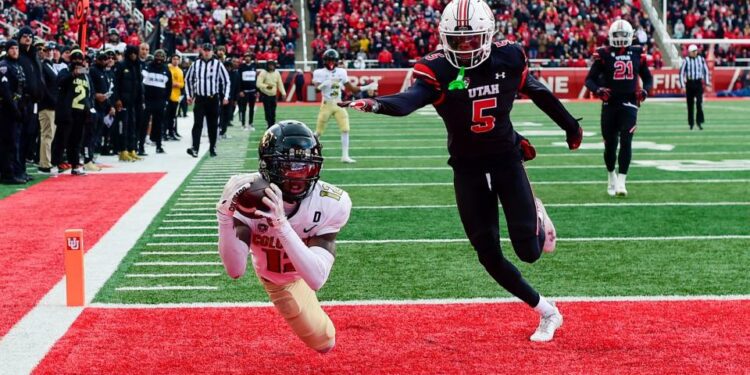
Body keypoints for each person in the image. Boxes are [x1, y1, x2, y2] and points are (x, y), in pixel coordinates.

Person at [339, 0, 582, 342]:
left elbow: (538, 92)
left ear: (488, 34)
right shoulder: (437, 70)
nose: (465, 47)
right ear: (443, 38)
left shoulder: (508, 57)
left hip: (506, 160)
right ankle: (548, 311)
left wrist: (570, 126)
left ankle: (538, 214)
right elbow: (409, 100)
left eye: (471, 40)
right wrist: (377, 104)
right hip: (467, 167)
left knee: (529, 252)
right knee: (488, 255)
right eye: (457, 40)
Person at [216, 120, 351, 353]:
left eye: (305, 165)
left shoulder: (331, 202)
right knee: (324, 341)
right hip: (277, 278)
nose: (299, 176)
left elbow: (316, 279)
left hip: (303, 270)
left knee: (325, 343)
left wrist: (281, 224)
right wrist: (224, 217)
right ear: (267, 166)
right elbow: (235, 270)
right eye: (289, 166)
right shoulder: (248, 198)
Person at [585, 19, 653, 197]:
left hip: (630, 103)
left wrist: (645, 90)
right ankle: (611, 175)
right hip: (610, 104)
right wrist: (598, 90)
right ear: (611, 36)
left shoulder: (638, 53)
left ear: (630, 36)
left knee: (626, 141)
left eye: (624, 35)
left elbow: (648, 78)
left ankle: (622, 181)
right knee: (610, 145)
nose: (621, 38)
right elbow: (589, 79)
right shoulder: (604, 54)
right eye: (618, 35)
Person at [312, 49, 377, 163]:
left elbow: (352, 89)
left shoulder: (341, 72)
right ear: (325, 61)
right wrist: (326, 83)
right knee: (318, 132)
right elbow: (316, 90)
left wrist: (367, 87)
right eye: (329, 60)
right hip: (326, 104)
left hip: (338, 103)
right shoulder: (319, 72)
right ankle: (310, 153)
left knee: (345, 129)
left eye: (333, 60)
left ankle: (345, 156)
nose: (331, 62)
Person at [184, 43, 231, 158]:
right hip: (200, 99)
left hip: (213, 98)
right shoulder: (196, 64)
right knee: (197, 124)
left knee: (213, 125)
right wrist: (189, 95)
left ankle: (212, 147)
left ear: (212, 52)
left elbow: (226, 81)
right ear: (201, 51)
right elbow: (188, 79)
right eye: (204, 50)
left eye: (208, 50)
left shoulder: (218, 64)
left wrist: (225, 96)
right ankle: (195, 148)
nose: (206, 52)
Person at [52, 49, 93, 176]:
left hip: (80, 112)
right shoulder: (65, 71)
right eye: (74, 58)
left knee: (76, 140)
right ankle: (55, 163)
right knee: (61, 139)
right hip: (67, 111)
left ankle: (75, 165)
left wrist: (89, 109)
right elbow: (58, 83)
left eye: (79, 58)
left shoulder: (86, 75)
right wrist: (72, 75)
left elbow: (89, 93)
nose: (77, 61)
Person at [0, 40, 28, 184]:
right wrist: (14, 108)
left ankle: (16, 171)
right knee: (8, 142)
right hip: (6, 109)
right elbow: (5, 91)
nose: (15, 51)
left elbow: (22, 88)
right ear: (7, 50)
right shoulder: (4, 66)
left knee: (16, 142)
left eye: (16, 48)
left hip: (18, 106)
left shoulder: (17, 65)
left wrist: (22, 107)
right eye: (11, 48)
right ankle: (7, 174)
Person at [112, 45, 144, 162]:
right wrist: (117, 99)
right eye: (131, 53)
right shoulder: (121, 65)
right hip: (123, 102)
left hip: (134, 102)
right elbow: (115, 84)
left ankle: (132, 149)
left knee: (132, 126)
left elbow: (139, 85)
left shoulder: (137, 66)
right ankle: (122, 150)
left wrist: (141, 99)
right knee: (123, 126)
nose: (133, 55)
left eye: (135, 53)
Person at [142, 49, 172, 154]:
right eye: (157, 56)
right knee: (144, 123)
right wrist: (143, 99)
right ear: (154, 57)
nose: (159, 58)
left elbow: (169, 87)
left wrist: (166, 100)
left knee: (159, 124)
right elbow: (142, 83)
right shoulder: (147, 67)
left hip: (160, 101)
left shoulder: (166, 70)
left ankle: (159, 146)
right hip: (148, 100)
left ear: (165, 58)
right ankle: (141, 146)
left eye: (161, 56)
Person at [38, 41, 59, 173]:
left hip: (52, 105)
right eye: (47, 50)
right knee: (47, 134)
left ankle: (47, 161)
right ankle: (44, 164)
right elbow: (44, 88)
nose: (50, 52)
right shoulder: (43, 66)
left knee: (50, 134)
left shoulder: (51, 66)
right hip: (47, 105)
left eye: (52, 50)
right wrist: (53, 101)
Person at [679, 44, 710, 130]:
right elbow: (681, 73)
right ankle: (691, 123)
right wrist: (682, 85)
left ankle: (699, 121)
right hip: (689, 83)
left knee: (699, 103)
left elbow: (706, 71)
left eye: (696, 51)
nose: (695, 52)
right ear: (690, 52)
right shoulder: (686, 60)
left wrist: (707, 83)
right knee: (690, 104)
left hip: (698, 83)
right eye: (693, 51)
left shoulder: (701, 59)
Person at [256, 60, 285, 128]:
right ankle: (269, 124)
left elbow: (280, 84)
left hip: (273, 95)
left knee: (273, 111)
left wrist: (283, 93)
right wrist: (266, 86)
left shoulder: (277, 73)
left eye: (272, 65)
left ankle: (273, 124)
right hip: (265, 95)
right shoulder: (263, 73)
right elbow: (258, 84)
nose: (271, 66)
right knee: (267, 111)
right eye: (270, 65)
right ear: (267, 66)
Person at [165, 54, 184, 140]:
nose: (175, 61)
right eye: (174, 59)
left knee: (173, 117)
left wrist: (177, 84)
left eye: (177, 59)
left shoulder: (180, 71)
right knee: (166, 116)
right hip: (167, 96)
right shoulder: (167, 68)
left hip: (176, 96)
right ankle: (164, 133)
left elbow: (182, 84)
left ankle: (171, 132)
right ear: (171, 60)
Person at [237, 52, 258, 131]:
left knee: (252, 108)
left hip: (252, 91)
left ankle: (250, 123)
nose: (247, 58)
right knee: (243, 108)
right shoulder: (241, 67)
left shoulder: (254, 66)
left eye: (248, 56)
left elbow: (256, 79)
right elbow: (239, 80)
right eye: (246, 57)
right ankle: (243, 124)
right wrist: (240, 91)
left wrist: (256, 90)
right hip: (244, 92)